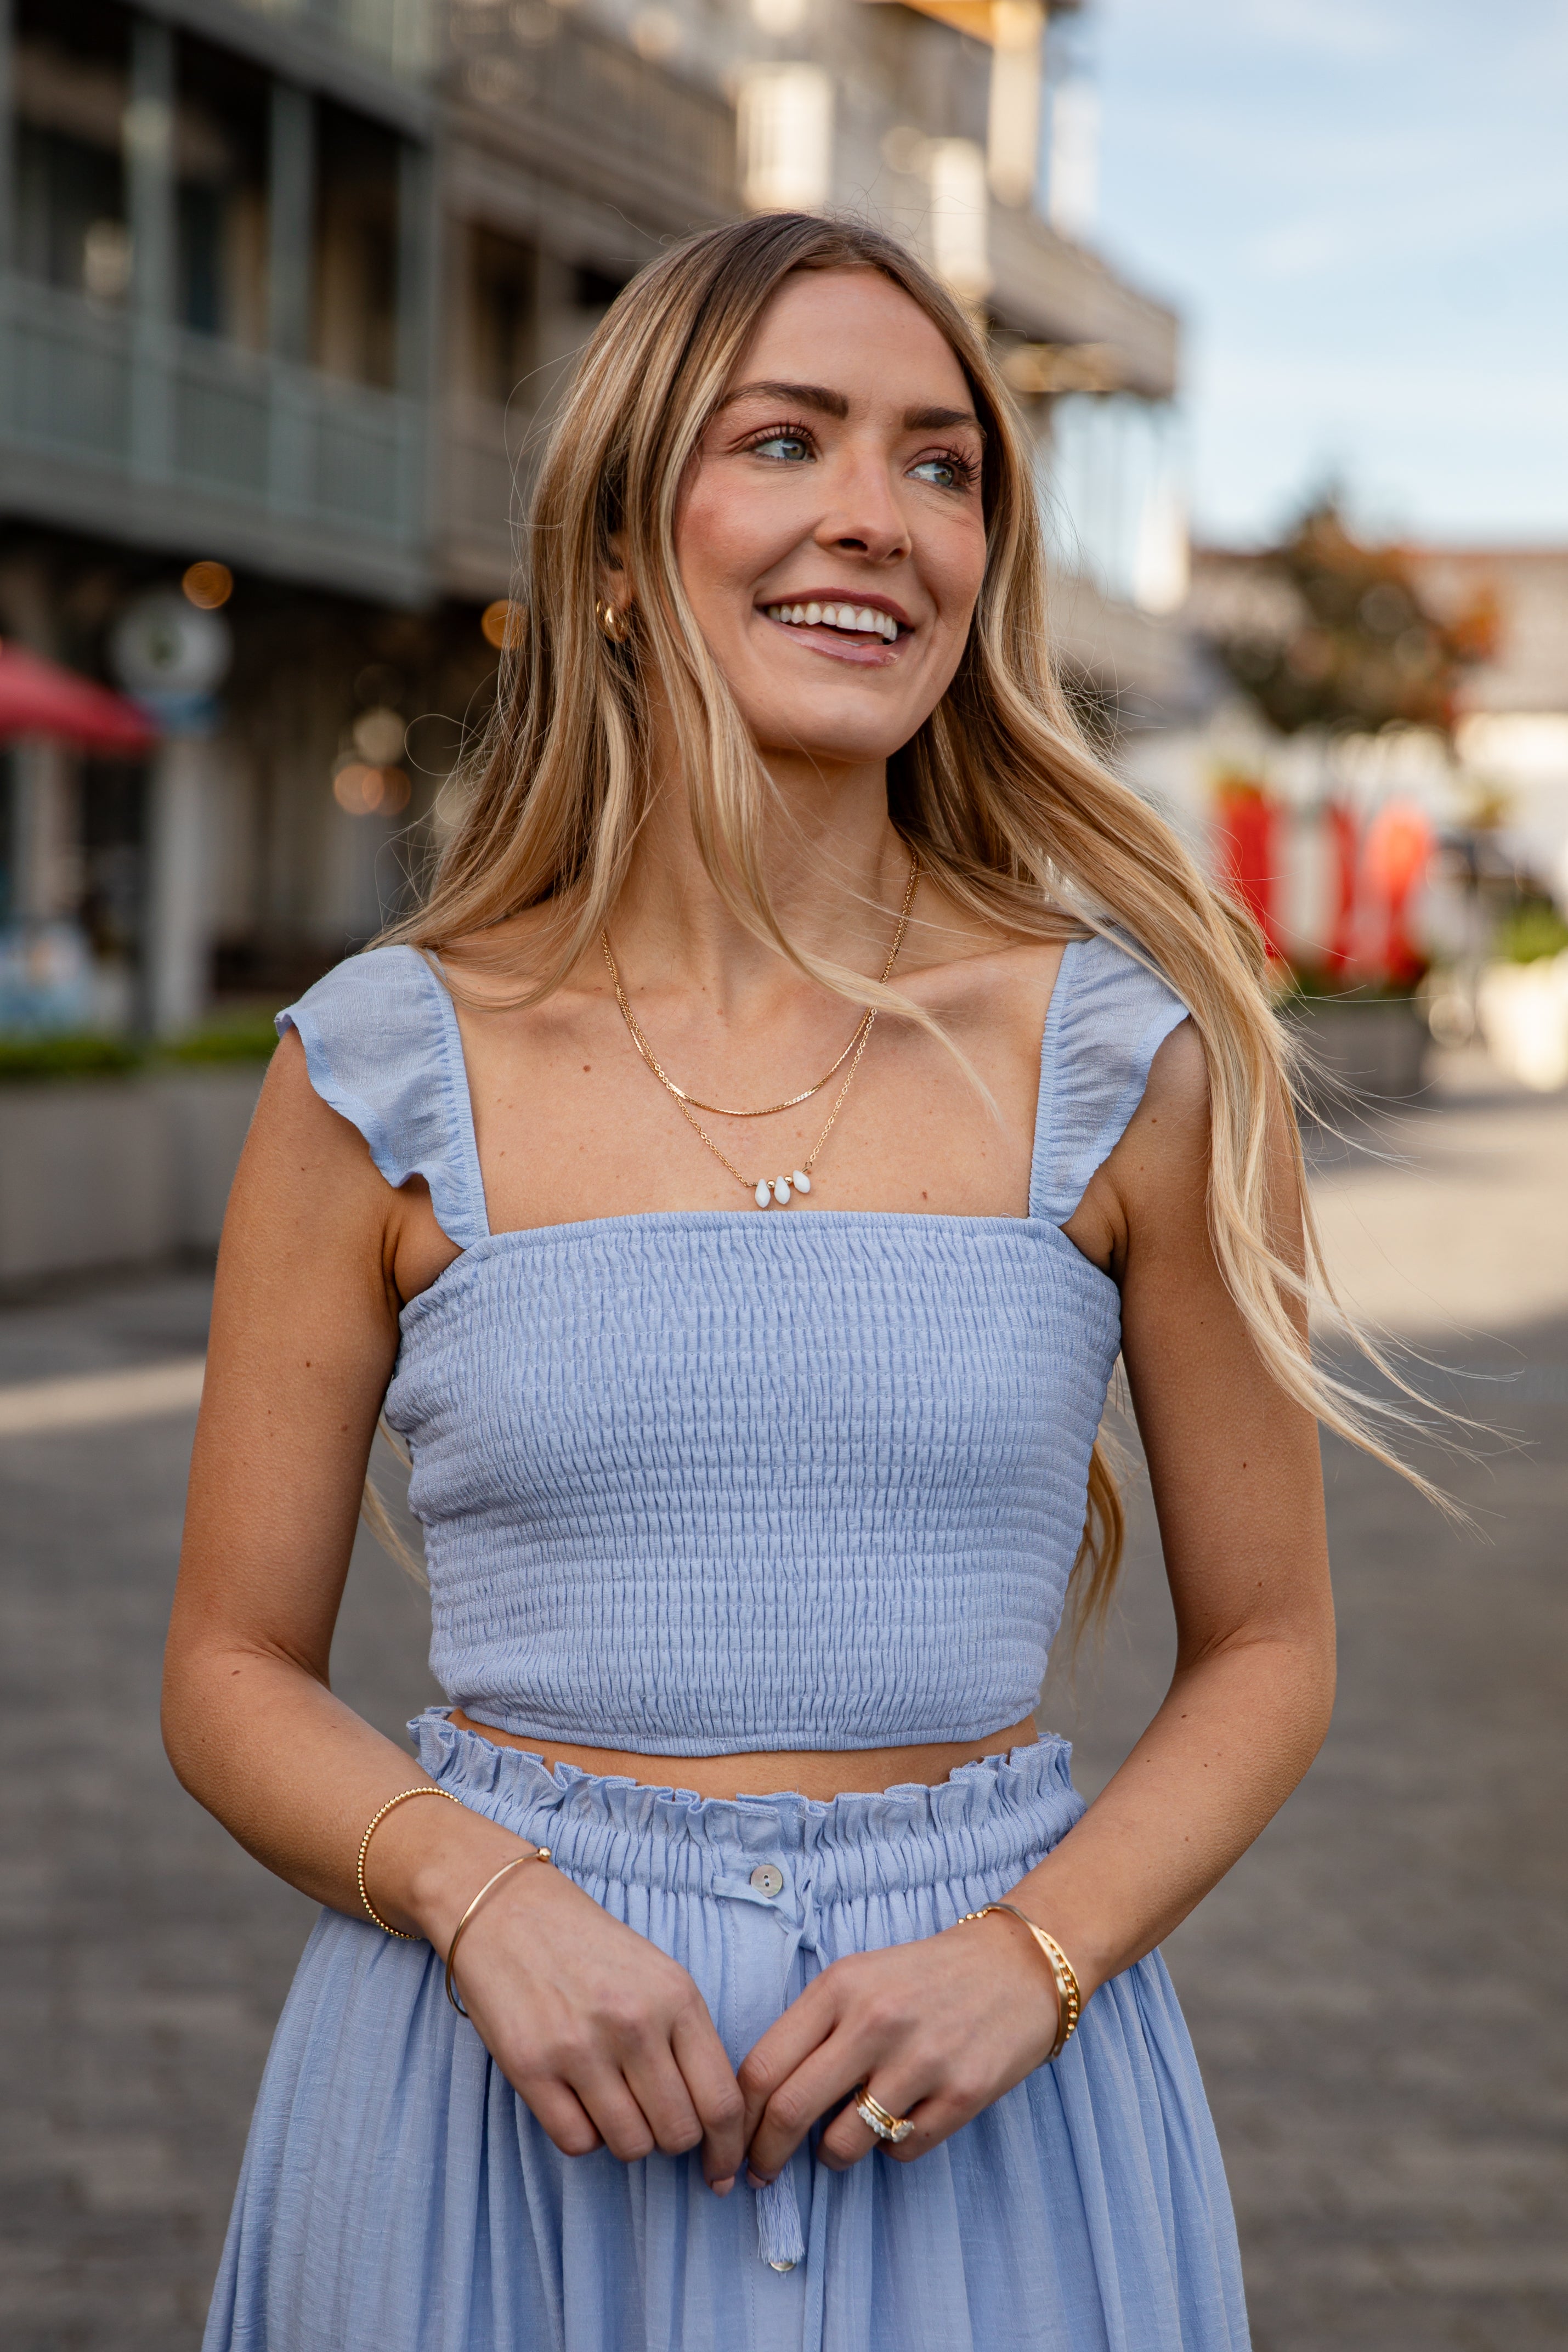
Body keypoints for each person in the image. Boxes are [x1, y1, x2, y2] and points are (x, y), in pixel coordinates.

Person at [166, 214, 1348, 2352]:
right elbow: (229, 1670)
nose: (872, 519)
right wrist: (479, 1891)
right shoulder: (375, 1064)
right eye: (784, 440)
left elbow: (1268, 1640)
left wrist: (1037, 1956)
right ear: (621, 549)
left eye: (941, 465)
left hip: (992, 2126)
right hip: (479, 2113)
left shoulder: (1136, 1060)